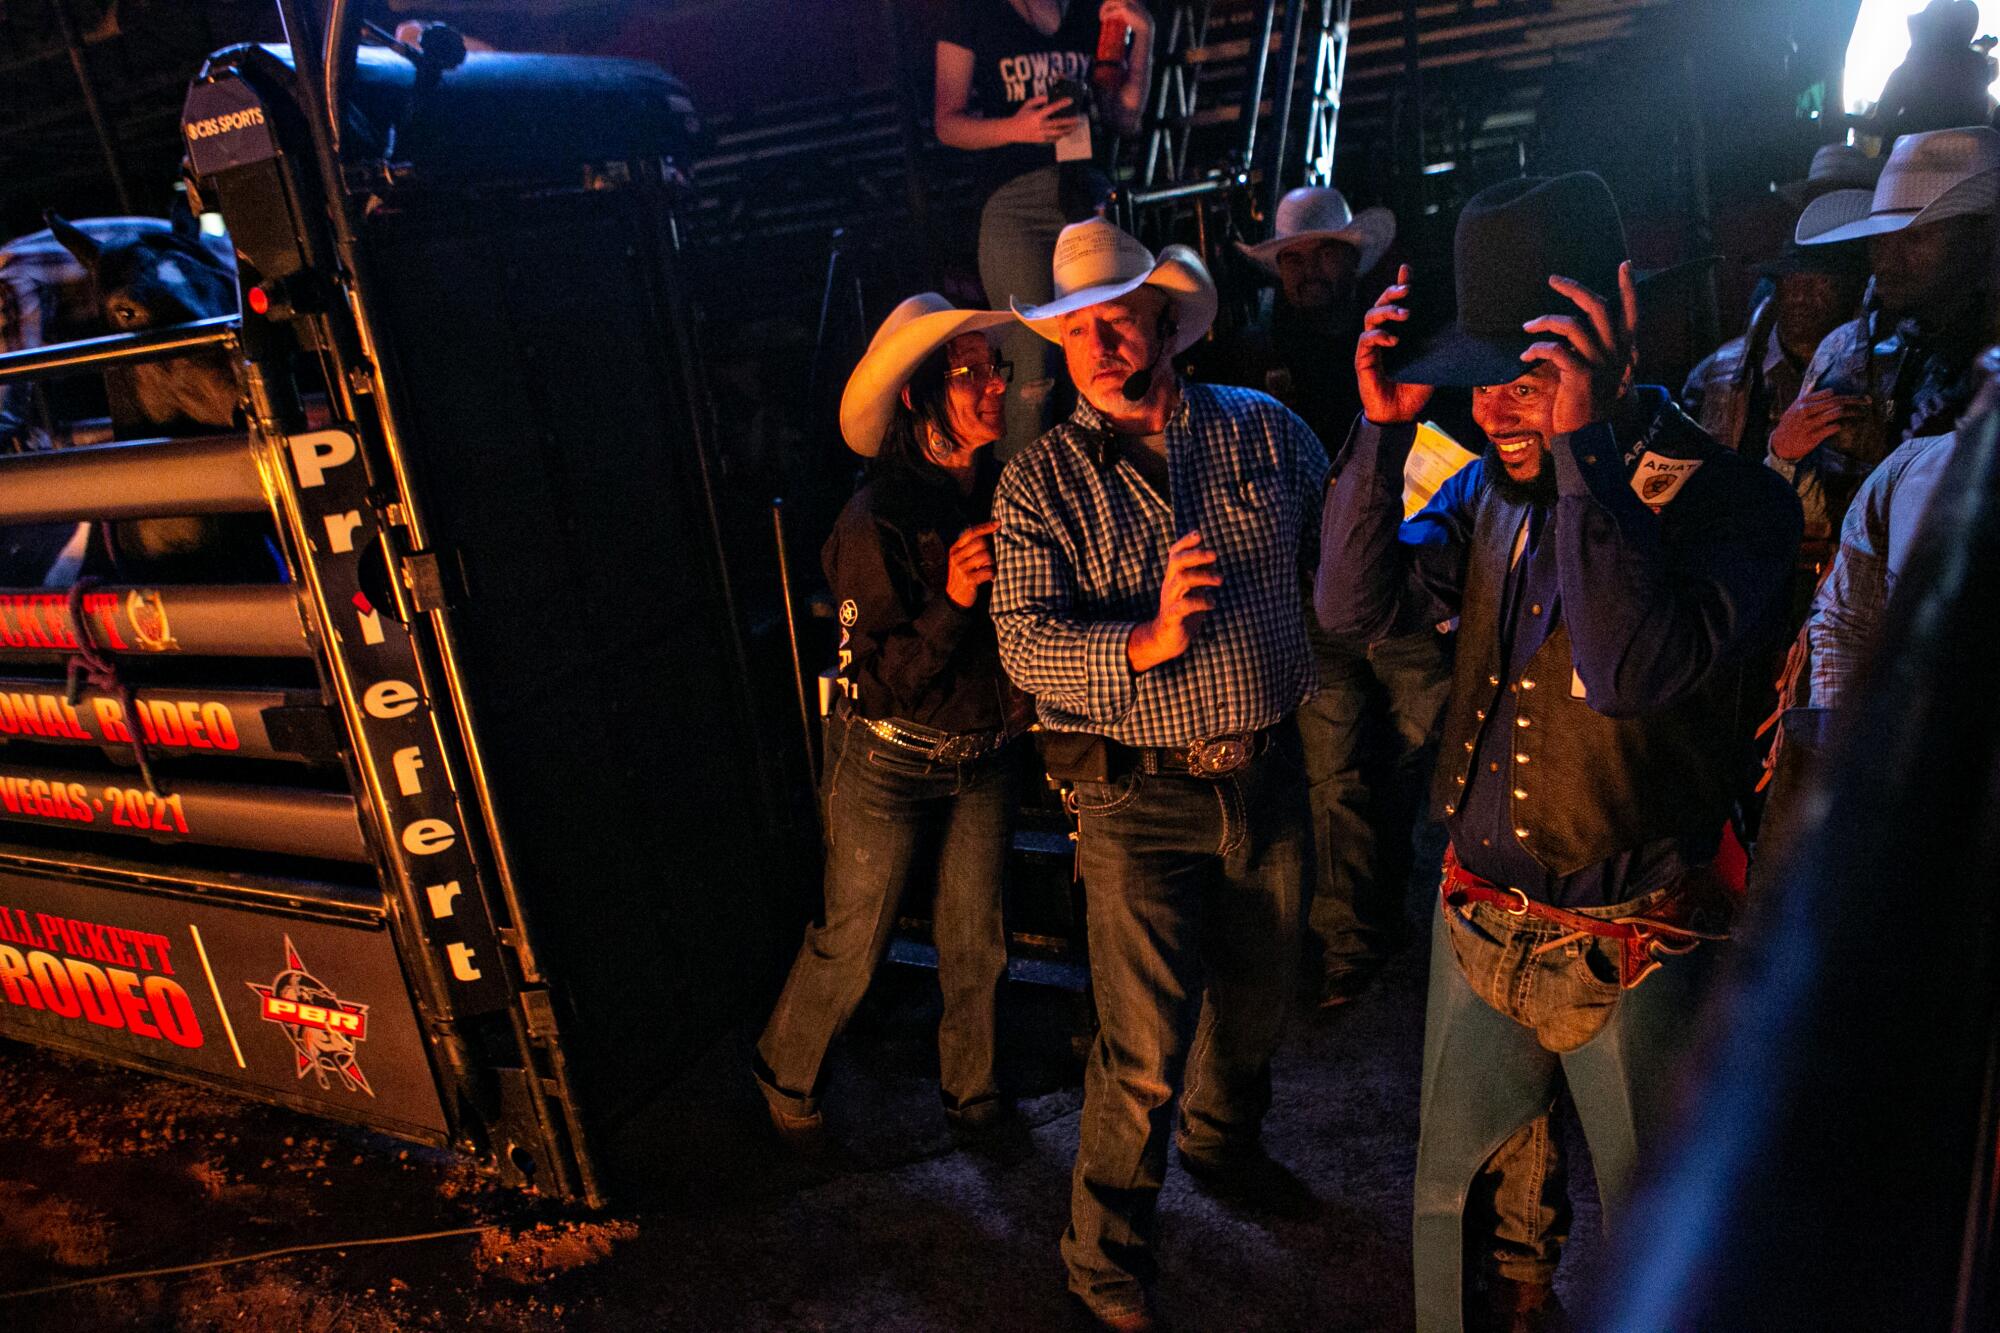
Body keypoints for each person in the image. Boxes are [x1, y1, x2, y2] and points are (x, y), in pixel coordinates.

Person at [1317, 174, 1800, 1333]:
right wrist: (1379, 436)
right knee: (1454, 1204)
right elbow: (1347, 606)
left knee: (1660, 1238)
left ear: (1611, 329)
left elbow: (1631, 671)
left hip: (1638, 932)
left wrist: (1582, 451)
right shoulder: (1485, 491)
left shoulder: (1734, 503)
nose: (1495, 408)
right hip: (1479, 911)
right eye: (1480, 377)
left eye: (1525, 373)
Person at [990, 218, 1328, 1332]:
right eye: (1076, 329)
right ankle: (1102, 1260)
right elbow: (1024, 646)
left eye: (1117, 321)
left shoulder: (1266, 433)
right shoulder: (1038, 483)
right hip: (1135, 798)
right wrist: (1139, 640)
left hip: (1266, 775)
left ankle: (1224, 1150)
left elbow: (1345, 536)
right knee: (1139, 1054)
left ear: (1165, 325)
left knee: (1257, 1006)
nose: (1098, 344)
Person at [754, 294, 1029, 1156]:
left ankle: (973, 1094)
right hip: (888, 755)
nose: (995, 388)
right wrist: (950, 601)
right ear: (917, 396)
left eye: (997, 368)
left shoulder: (998, 483)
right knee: (854, 941)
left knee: (975, 940)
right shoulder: (875, 519)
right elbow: (879, 679)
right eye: (971, 373)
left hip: (982, 751)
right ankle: (784, 1071)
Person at [1235, 187, 1450, 1005]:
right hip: (1308, 593)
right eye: (1291, 258)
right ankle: (1352, 944)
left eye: (1321, 253)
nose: (1305, 270)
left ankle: (1406, 920)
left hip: (1404, 582)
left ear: (1354, 260)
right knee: (1338, 768)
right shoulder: (1255, 359)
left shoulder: (1405, 349)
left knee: (1422, 744)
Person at [935, 0, 1154, 460]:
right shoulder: (972, 13)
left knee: (1106, 345)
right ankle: (1026, 499)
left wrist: (1144, 37)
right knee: (1032, 359)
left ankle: (1112, 482)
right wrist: (1018, 128)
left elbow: (1123, 117)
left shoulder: (1091, 11)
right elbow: (947, 124)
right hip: (1015, 200)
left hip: (1085, 191)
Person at [1771, 126, 1999, 566]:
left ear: (1982, 241)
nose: (1885, 258)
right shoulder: (1844, 350)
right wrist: (1784, 456)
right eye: (1879, 238)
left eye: (1913, 238)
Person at [1680, 237, 1869, 458]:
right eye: (1790, 280)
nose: (1800, 296)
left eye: (1822, 282)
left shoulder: (1874, 371)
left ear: (1851, 291)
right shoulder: (1717, 373)